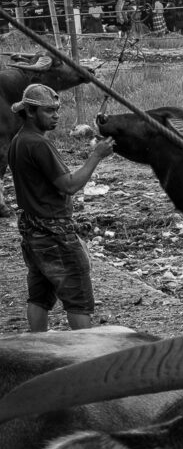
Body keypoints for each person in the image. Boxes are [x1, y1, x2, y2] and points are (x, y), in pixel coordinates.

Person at [7, 83, 116, 332]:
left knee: (40, 294)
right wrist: (96, 156)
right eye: (48, 111)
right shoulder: (38, 144)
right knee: (78, 298)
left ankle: (37, 346)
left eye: (56, 109)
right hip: (54, 233)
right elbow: (69, 185)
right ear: (31, 112)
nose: (56, 115)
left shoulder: (18, 141)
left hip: (32, 231)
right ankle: (85, 358)